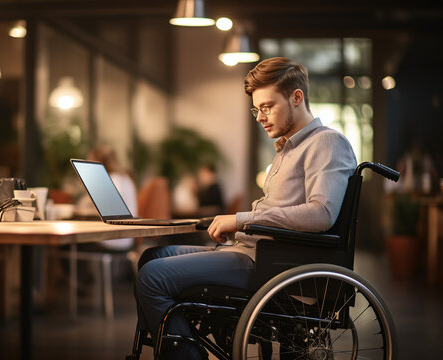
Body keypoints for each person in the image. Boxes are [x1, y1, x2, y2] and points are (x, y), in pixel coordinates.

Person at [134, 57, 357, 360]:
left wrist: (241, 220)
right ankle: (180, 342)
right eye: (256, 109)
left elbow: (321, 214)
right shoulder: (287, 148)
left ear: (297, 97)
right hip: (254, 253)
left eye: (267, 107)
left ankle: (184, 353)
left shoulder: (327, 143)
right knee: (152, 256)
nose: (259, 117)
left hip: (270, 264)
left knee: (152, 277)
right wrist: (239, 226)